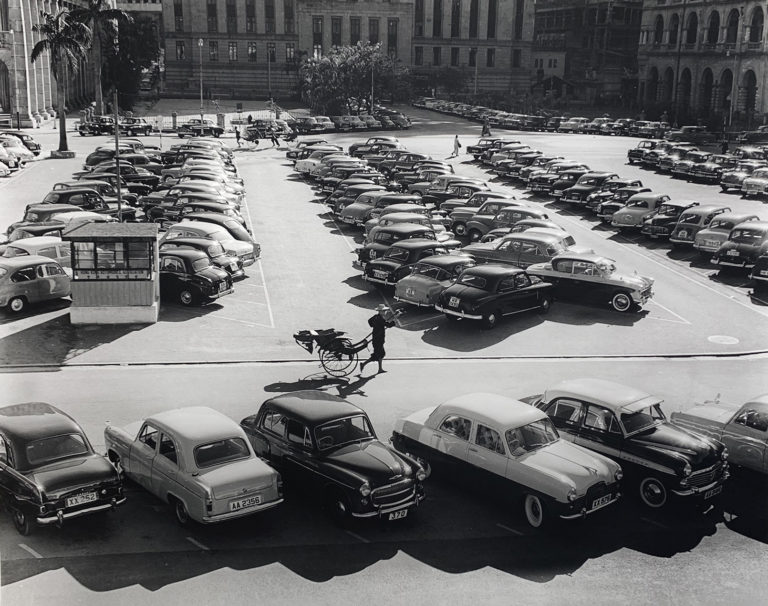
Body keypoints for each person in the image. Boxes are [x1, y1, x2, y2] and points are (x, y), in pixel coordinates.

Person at [359, 304, 396, 374]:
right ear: (380, 311)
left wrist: (374, 325)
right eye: (384, 311)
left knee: (379, 354)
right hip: (378, 339)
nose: (385, 312)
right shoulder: (380, 319)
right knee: (380, 354)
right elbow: (388, 325)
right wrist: (395, 319)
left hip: (376, 338)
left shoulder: (376, 317)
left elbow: (369, 321)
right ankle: (366, 365)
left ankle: (378, 368)